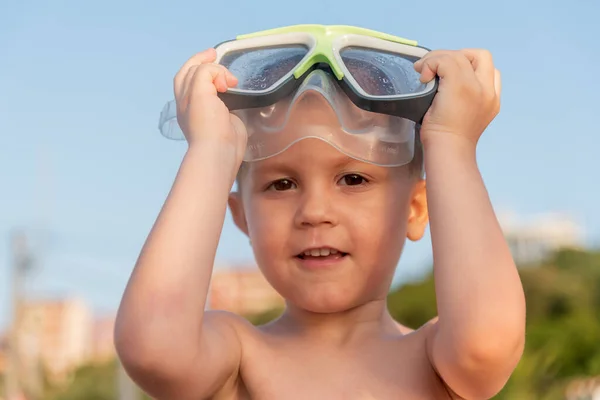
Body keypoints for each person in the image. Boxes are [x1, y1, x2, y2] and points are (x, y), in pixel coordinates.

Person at [114, 25, 526, 400]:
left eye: (353, 180)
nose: (314, 212)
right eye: (281, 184)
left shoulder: (436, 363)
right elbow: (154, 347)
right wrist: (211, 151)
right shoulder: (237, 359)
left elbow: (486, 344)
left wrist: (451, 140)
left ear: (416, 209)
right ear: (241, 217)